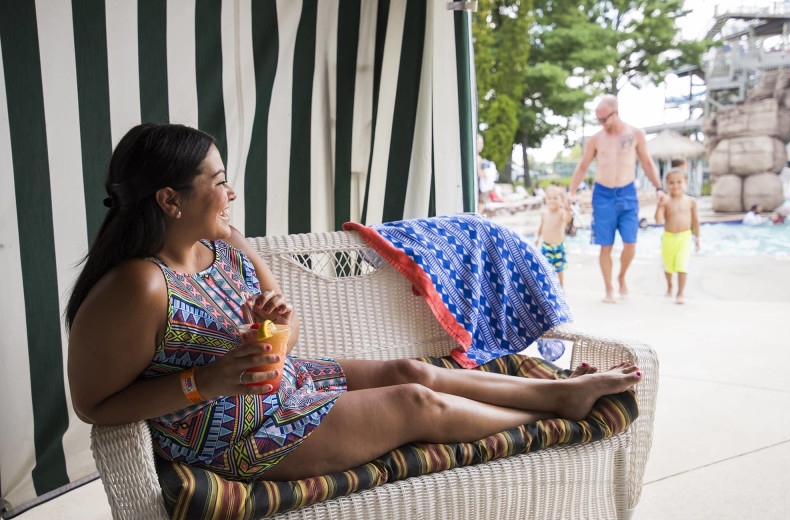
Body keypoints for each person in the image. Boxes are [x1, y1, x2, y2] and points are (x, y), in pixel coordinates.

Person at [66, 123, 643, 483]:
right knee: (416, 401)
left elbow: (285, 335)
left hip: (284, 383)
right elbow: (94, 404)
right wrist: (206, 382)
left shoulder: (226, 244)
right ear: (169, 199)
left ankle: (556, 391)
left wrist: (275, 330)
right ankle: (554, 412)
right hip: (227, 432)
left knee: (409, 368)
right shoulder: (139, 286)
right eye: (217, 180)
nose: (230, 192)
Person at [568, 94, 664, 303]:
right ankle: (609, 288)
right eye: (598, 120)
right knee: (606, 245)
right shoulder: (596, 139)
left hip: (627, 192)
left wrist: (659, 187)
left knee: (630, 243)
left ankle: (621, 277)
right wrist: (571, 191)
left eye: (604, 119)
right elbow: (583, 166)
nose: (601, 124)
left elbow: (647, 163)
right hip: (603, 194)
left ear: (616, 113)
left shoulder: (636, 134)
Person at [654, 169, 699, 305]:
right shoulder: (666, 201)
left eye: (679, 182)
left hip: (685, 237)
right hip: (668, 237)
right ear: (666, 184)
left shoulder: (691, 201)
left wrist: (697, 237)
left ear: (686, 183)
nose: (675, 185)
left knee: (682, 264)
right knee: (668, 266)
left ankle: (680, 293)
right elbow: (658, 220)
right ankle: (670, 286)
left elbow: (695, 220)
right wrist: (659, 205)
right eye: (672, 183)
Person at [535, 185, 571, 287]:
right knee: (546, 268)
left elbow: (567, 220)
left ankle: (561, 287)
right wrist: (538, 238)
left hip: (558, 246)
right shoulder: (544, 213)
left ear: (562, 200)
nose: (552, 201)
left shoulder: (562, 213)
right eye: (549, 198)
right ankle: (548, 286)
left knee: (559, 269)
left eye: (555, 198)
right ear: (545, 200)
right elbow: (541, 227)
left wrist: (568, 210)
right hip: (546, 246)